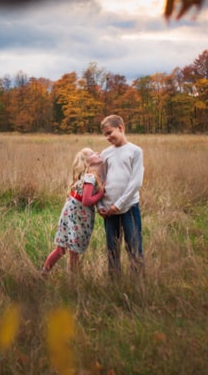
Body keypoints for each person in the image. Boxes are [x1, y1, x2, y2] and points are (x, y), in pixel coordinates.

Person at [40, 147, 105, 275]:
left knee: (61, 249)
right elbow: (86, 200)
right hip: (77, 217)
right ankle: (72, 279)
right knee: (71, 251)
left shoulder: (87, 176)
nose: (96, 153)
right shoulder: (90, 177)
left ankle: (44, 273)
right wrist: (101, 194)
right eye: (92, 153)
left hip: (71, 214)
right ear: (87, 162)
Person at [97, 114, 144, 276]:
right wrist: (100, 205)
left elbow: (136, 182)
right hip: (108, 210)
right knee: (112, 248)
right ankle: (114, 282)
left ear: (121, 128)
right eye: (105, 135)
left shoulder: (135, 151)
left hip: (129, 207)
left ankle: (138, 283)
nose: (108, 137)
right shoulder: (106, 153)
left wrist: (118, 205)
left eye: (110, 133)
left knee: (134, 246)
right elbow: (100, 180)